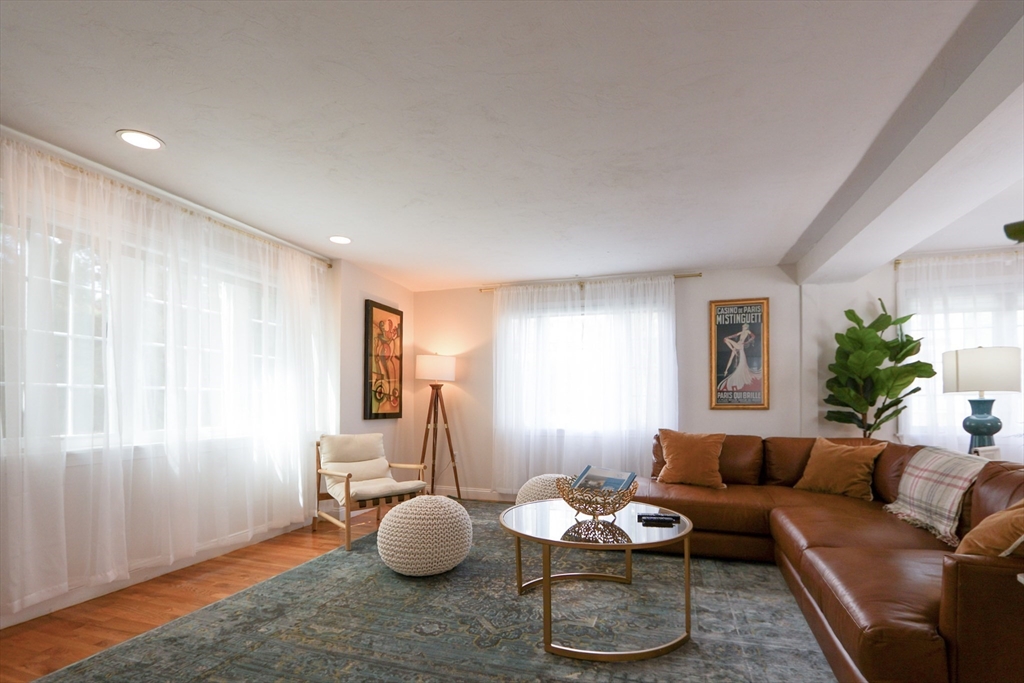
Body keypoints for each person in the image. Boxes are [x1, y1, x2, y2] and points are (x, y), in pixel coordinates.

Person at [718, 323, 756, 391]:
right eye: (743, 326)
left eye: (744, 326)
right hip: (737, 345)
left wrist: (746, 342)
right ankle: (726, 370)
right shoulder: (741, 332)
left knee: (726, 339)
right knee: (731, 357)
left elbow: (753, 336)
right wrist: (729, 337)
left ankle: (733, 350)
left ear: (746, 327)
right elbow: (734, 335)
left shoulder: (747, 331)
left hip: (740, 345)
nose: (743, 327)